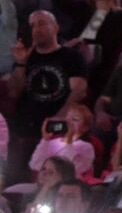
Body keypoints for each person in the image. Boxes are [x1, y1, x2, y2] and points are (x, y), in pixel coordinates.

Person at [8, 10, 88, 140]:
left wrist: (59, 117)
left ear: (56, 27)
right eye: (32, 25)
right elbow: (14, 93)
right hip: (25, 124)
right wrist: (21, 63)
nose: (36, 29)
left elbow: (79, 92)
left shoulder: (71, 56)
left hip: (57, 124)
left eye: (42, 23)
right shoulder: (26, 56)